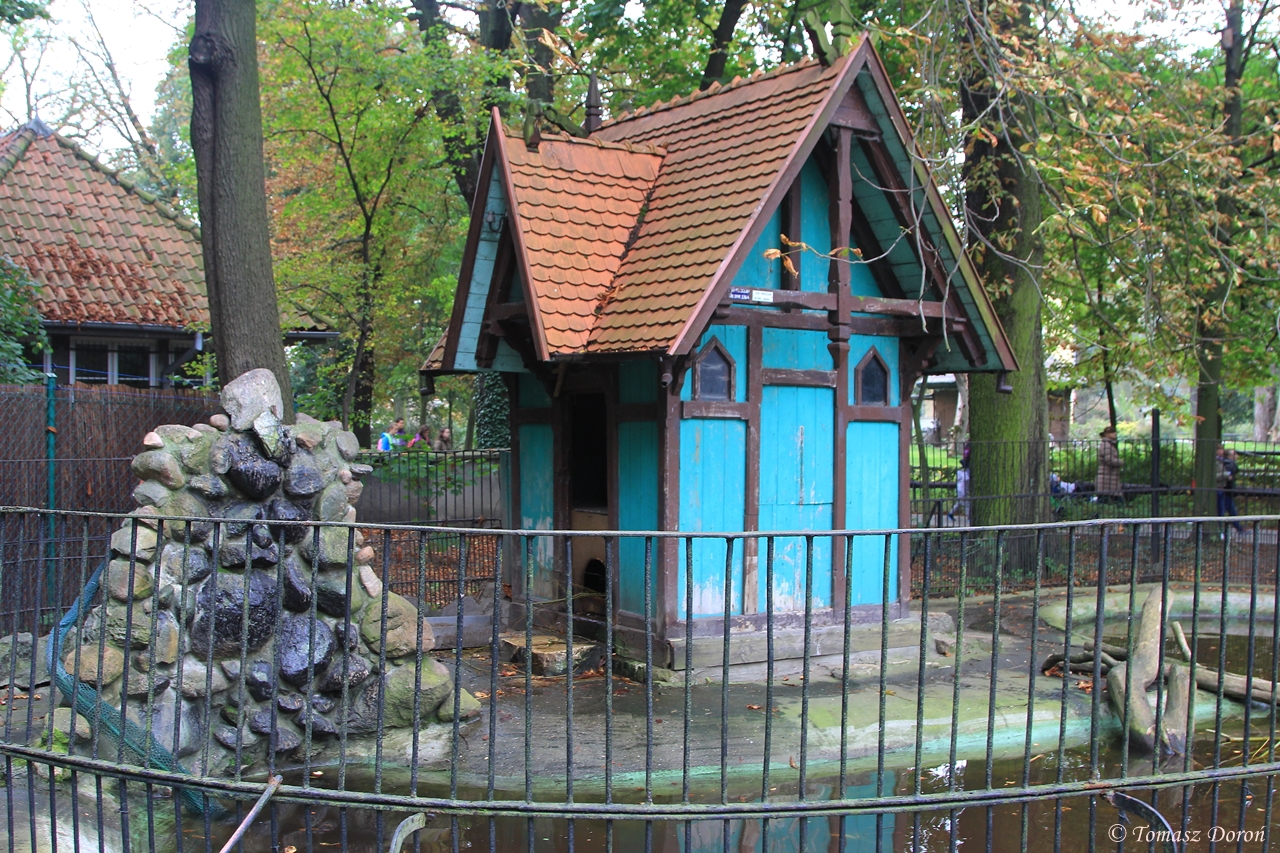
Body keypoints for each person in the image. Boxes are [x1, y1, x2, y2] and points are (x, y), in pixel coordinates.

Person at [1095, 425, 1123, 512]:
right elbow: (1109, 460)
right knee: (1117, 501)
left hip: (1109, 477)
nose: (1115, 433)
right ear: (1107, 434)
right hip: (1107, 478)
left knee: (1104, 500)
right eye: (1112, 432)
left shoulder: (1108, 444)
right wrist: (1120, 462)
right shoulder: (1107, 445)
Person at [1217, 446, 1244, 534]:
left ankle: (1239, 529)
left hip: (1227, 490)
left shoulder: (1224, 462)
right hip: (1224, 490)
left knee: (1230, 510)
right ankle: (1221, 530)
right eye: (1234, 454)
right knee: (1223, 511)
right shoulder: (1224, 463)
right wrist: (1226, 474)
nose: (1236, 455)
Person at [947, 443, 971, 523]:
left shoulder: (965, 473)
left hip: (963, 491)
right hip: (962, 491)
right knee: (966, 503)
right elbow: (966, 481)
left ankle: (951, 513)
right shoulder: (964, 474)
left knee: (960, 503)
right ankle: (969, 517)